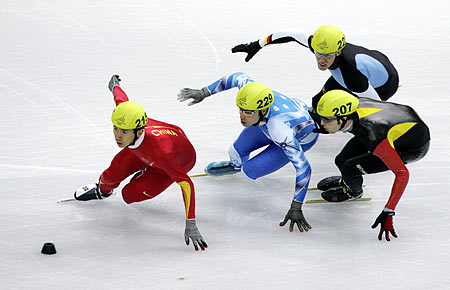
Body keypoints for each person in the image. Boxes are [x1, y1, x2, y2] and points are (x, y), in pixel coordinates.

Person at [73, 75, 208, 251]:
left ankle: (148, 169)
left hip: (176, 162)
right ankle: (103, 191)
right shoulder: (129, 119)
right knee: (110, 175)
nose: (117, 136)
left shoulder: (161, 154)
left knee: (129, 195)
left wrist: (191, 222)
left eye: (123, 131)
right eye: (115, 128)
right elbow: (121, 100)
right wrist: (115, 86)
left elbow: (187, 184)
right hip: (146, 150)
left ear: (137, 132)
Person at [177, 72, 319, 233]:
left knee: (249, 172)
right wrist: (204, 92)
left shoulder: (280, 130)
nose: (242, 116)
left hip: (298, 136)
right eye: (241, 110)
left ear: (263, 110)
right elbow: (236, 77)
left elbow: (304, 168)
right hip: (266, 124)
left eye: (249, 112)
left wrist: (296, 205)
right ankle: (235, 165)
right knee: (235, 151)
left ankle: (242, 168)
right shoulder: (251, 92)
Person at [314, 89, 430, 241]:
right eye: (321, 118)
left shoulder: (374, 136)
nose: (322, 123)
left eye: (327, 120)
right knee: (341, 160)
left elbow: (402, 173)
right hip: (396, 126)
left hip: (410, 147)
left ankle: (353, 192)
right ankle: (348, 182)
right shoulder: (353, 105)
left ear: (343, 118)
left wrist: (389, 211)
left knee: (349, 167)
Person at [231, 25, 399, 112]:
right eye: (318, 53)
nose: (321, 59)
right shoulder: (320, 45)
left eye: (327, 55)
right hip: (375, 61)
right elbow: (290, 34)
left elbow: (377, 107)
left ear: (338, 51)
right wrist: (256, 45)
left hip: (383, 84)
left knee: (343, 112)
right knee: (318, 102)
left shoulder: (352, 76)